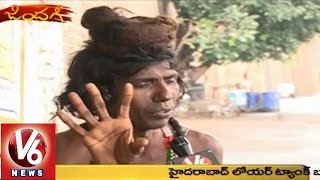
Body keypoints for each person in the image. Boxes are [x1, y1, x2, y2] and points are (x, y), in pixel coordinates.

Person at [54, 6, 223, 165]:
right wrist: (106, 170)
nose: (165, 94)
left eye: (170, 80)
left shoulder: (202, 149)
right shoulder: (45, 151)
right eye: (144, 83)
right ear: (105, 91)